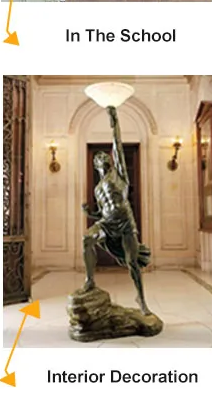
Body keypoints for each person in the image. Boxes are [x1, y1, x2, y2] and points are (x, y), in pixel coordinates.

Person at [82, 105, 152, 314]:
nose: (102, 158)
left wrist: (114, 120)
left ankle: (141, 300)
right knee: (87, 239)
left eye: (105, 156)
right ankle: (89, 280)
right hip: (107, 222)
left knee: (132, 263)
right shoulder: (97, 189)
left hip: (125, 222)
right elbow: (101, 212)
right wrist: (88, 214)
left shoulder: (119, 175)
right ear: (95, 165)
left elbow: (117, 144)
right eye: (98, 158)